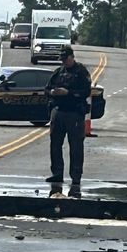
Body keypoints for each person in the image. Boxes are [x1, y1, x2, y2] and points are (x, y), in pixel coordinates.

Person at [44, 45, 91, 198]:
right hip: (58, 111)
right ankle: (57, 173)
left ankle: (76, 176)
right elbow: (46, 89)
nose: (64, 62)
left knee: (76, 146)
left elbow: (86, 91)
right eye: (62, 59)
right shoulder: (58, 72)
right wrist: (52, 92)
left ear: (72, 57)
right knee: (55, 144)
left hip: (74, 113)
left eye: (66, 59)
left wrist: (69, 93)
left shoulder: (81, 72)